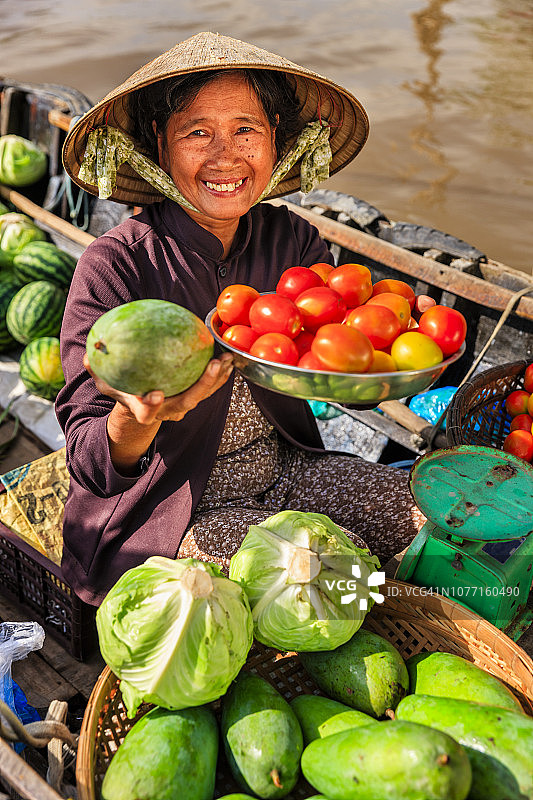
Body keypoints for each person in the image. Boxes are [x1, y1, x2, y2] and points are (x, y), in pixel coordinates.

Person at [58, 31, 425, 606]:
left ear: (275, 139)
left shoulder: (293, 239)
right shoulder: (114, 265)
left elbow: (336, 379)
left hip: (286, 471)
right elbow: (93, 463)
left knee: (427, 520)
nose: (226, 156)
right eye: (197, 132)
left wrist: (395, 331)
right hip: (171, 509)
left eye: (246, 129)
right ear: (160, 143)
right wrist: (140, 418)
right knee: (340, 582)